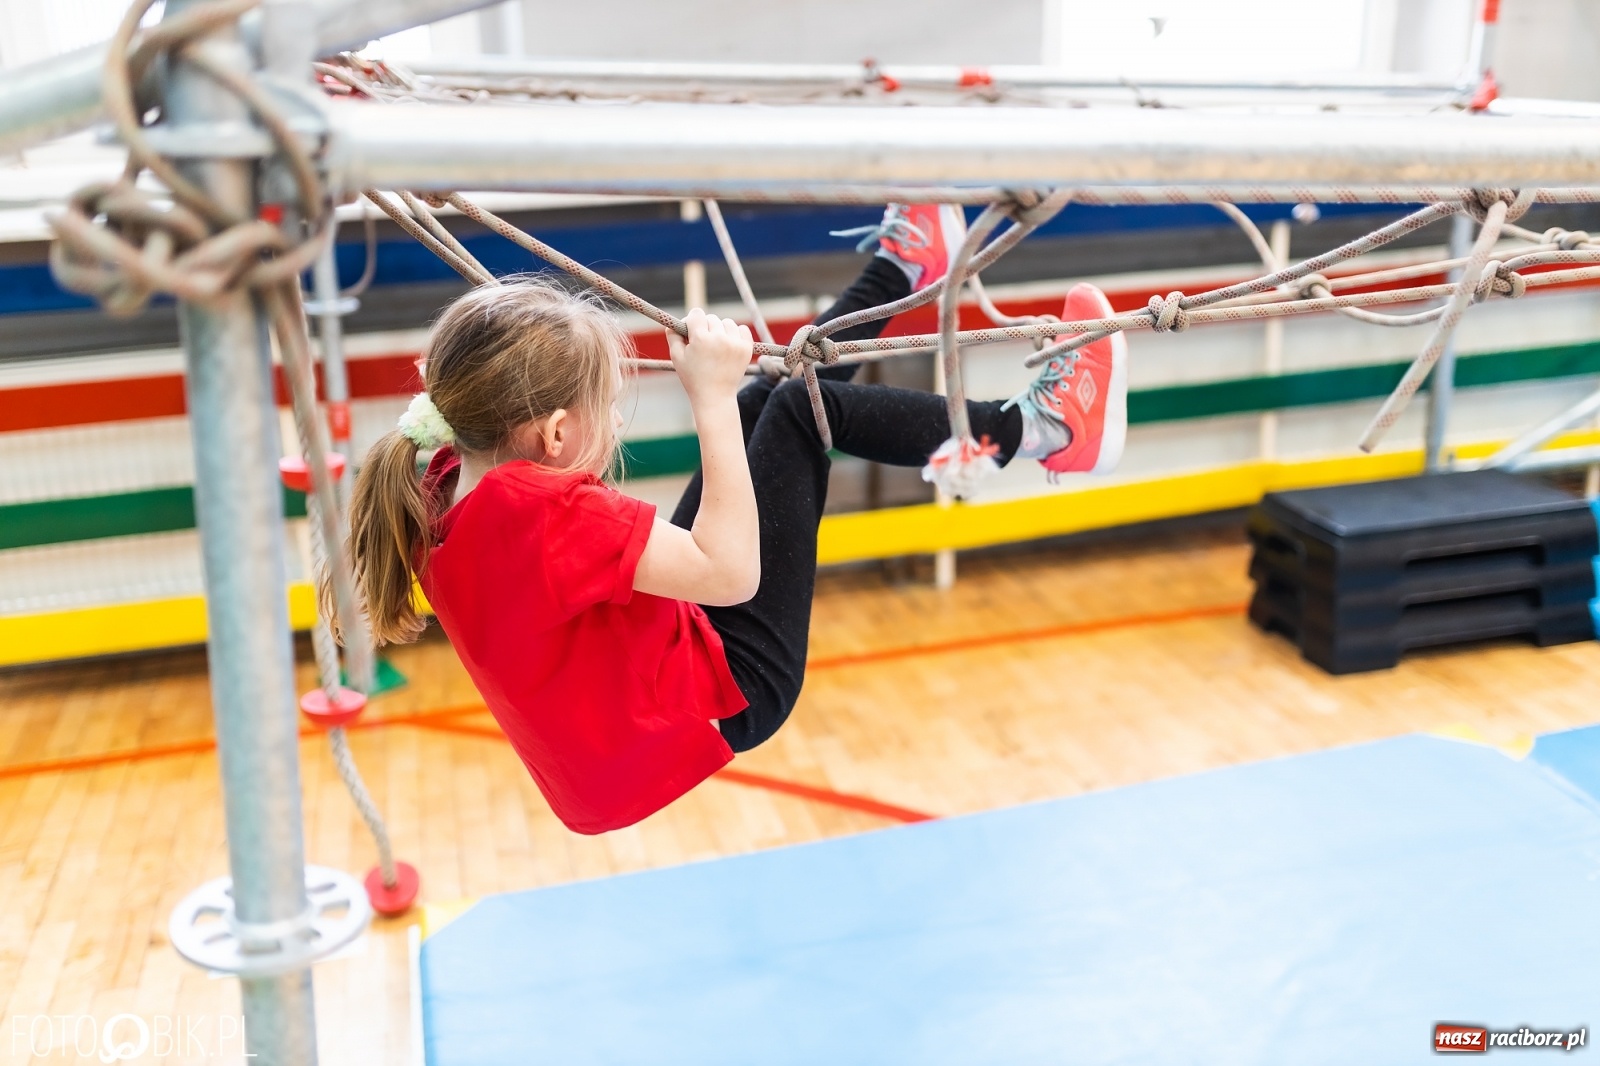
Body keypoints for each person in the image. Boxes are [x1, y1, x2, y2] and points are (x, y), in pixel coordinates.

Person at [345, 203, 1129, 835]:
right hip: (725, 694)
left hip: (635, 715)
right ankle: (1048, 430)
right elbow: (730, 575)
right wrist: (707, 398)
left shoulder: (439, 480)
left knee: (766, 403)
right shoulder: (539, 507)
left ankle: (902, 267)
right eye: (603, 411)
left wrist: (728, 401)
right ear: (554, 435)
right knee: (788, 412)